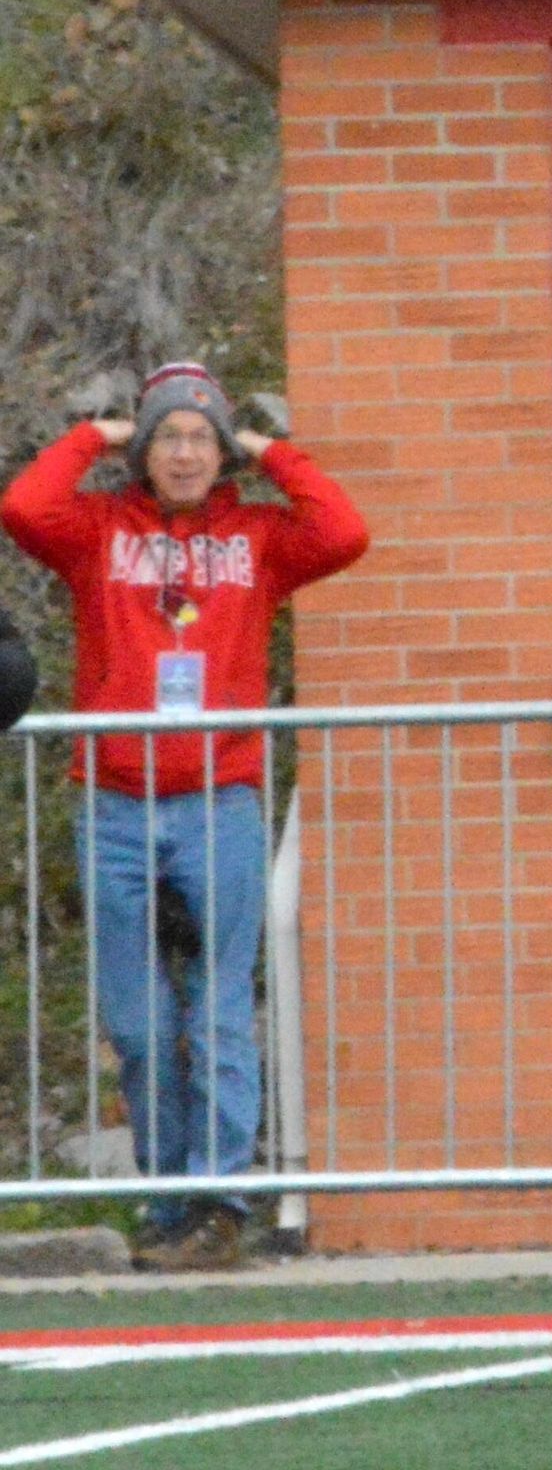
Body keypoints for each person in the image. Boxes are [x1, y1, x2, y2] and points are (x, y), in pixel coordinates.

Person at [2, 366, 369, 1270]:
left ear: (221, 452)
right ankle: (167, 1209)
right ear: (145, 449)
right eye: (168, 436)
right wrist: (96, 436)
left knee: (217, 1014)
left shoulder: (260, 535)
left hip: (221, 798)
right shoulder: (98, 531)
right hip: (116, 802)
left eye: (202, 438)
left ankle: (222, 1203)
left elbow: (345, 530)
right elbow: (22, 508)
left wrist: (269, 449)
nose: (184, 453)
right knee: (137, 1024)